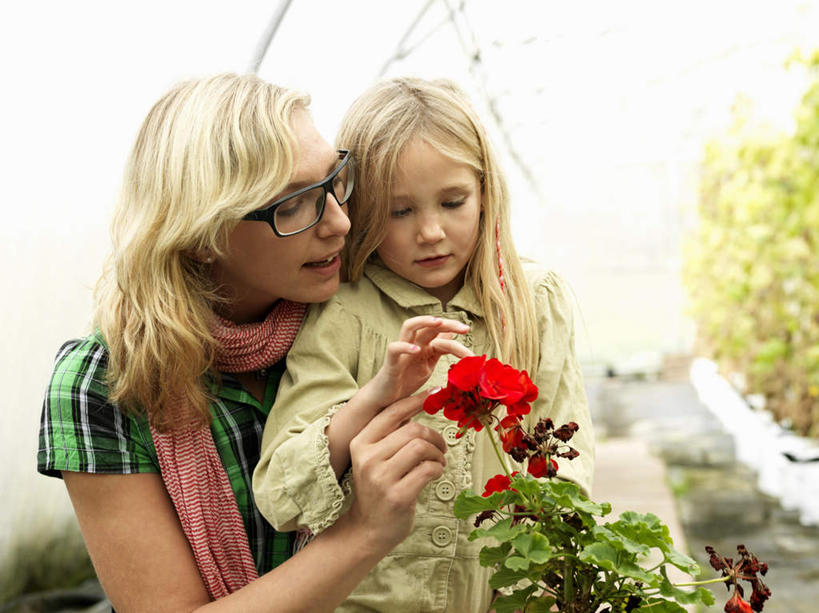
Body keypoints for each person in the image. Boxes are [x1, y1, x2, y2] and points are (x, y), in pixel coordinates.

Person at [37, 73, 459, 613]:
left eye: (336, 182)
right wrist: (364, 532)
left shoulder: (362, 326)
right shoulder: (107, 382)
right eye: (292, 206)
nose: (339, 221)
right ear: (200, 237)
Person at [252, 77, 596, 612]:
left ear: (486, 194)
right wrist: (374, 399)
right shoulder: (341, 309)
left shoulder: (532, 302)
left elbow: (567, 463)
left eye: (453, 201)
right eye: (400, 211)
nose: (431, 231)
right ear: (359, 209)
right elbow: (280, 492)